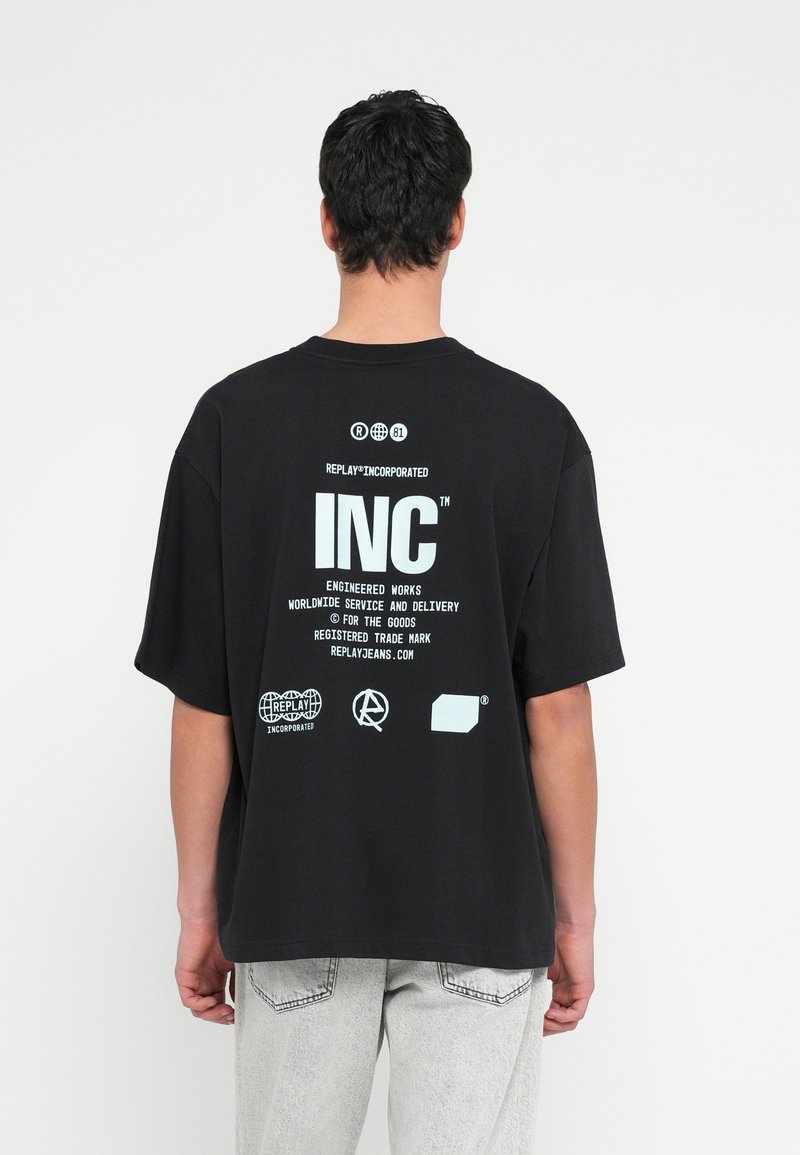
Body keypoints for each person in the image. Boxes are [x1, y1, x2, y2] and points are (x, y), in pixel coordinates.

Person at [134, 88, 625, 1155]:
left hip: (293, 896)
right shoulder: (532, 431)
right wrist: (574, 915)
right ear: (457, 222)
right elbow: (557, 711)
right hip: (480, 909)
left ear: (326, 221)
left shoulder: (234, 425)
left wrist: (199, 908)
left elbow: (203, 701)